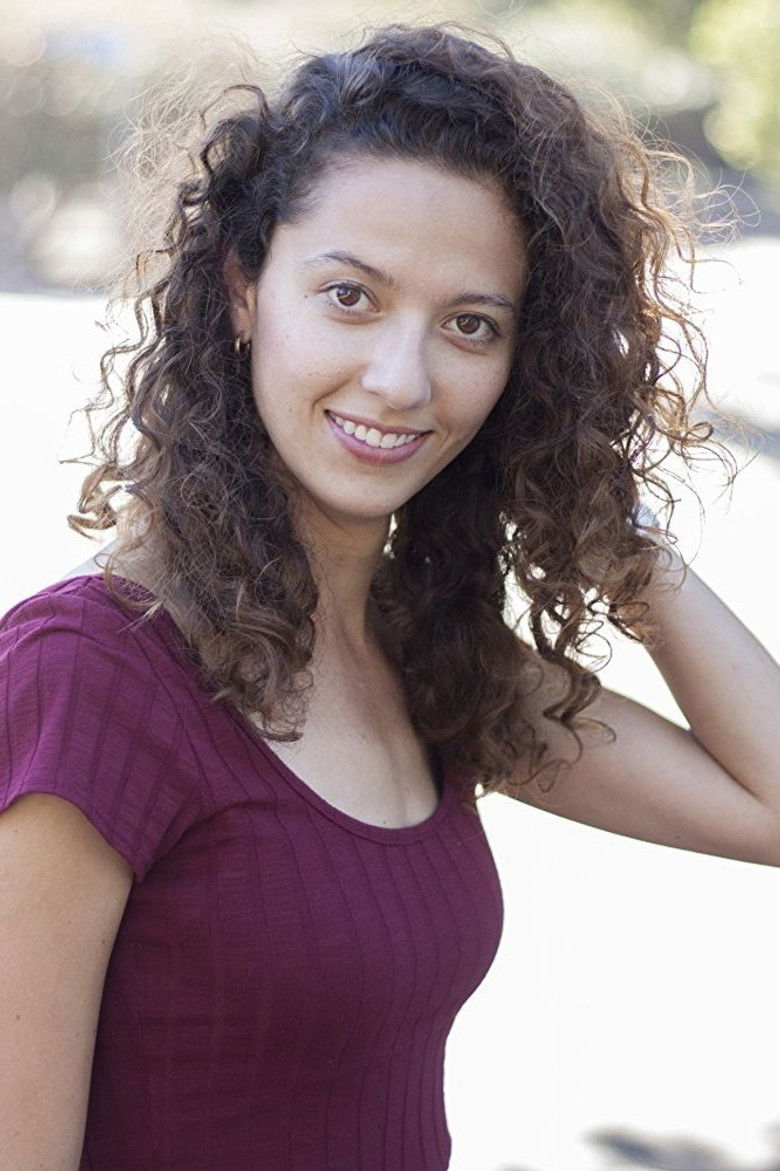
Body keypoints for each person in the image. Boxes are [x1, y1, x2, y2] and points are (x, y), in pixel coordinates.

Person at [1, 21, 778, 1171]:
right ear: (244, 289)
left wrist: (601, 519)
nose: (403, 379)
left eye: (472, 325)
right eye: (351, 296)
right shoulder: (91, 672)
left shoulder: (429, 660)